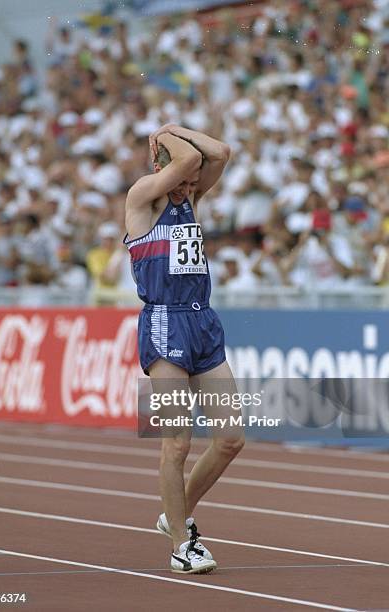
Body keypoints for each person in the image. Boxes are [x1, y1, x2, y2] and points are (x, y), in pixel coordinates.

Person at [124, 124, 245, 574]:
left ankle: (172, 512)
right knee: (177, 444)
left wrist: (173, 129)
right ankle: (182, 543)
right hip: (164, 322)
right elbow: (191, 161)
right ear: (162, 167)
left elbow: (222, 150)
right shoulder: (143, 198)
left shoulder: (189, 199)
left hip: (203, 322)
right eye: (184, 179)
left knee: (231, 438)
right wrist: (168, 143)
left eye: (195, 184)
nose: (192, 187)